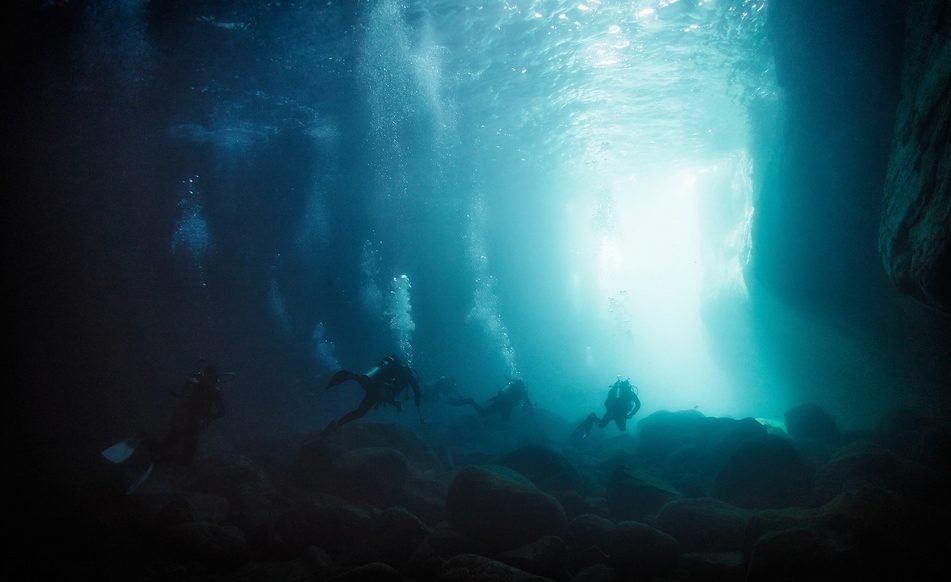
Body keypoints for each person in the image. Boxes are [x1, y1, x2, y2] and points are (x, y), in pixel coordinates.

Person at [146, 364, 227, 465]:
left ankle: (156, 457)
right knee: (170, 450)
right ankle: (149, 448)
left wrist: (208, 417)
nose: (212, 380)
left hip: (188, 423)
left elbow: (221, 412)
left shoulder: (207, 388)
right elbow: (220, 412)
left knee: (178, 454)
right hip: (187, 423)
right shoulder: (202, 387)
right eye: (212, 377)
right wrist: (208, 416)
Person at [320, 355, 422, 434]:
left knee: (360, 410)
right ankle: (337, 425)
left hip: (375, 388)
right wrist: (417, 401)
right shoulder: (409, 378)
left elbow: (386, 395)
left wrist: (395, 402)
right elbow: (416, 390)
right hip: (377, 393)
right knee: (359, 413)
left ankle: (354, 376)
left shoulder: (397, 372)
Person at [573, 378, 641, 438]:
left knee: (601, 426)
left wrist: (610, 409)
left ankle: (593, 417)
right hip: (621, 414)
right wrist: (631, 414)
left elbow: (606, 403)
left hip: (611, 412)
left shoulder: (613, 391)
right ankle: (593, 417)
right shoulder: (631, 393)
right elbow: (638, 404)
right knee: (622, 429)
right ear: (629, 386)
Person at [449, 378, 535, 421]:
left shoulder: (520, 391)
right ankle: (471, 401)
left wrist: (530, 409)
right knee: (483, 413)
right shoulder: (521, 391)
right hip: (501, 403)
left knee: (505, 420)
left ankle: (472, 403)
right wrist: (530, 409)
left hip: (505, 405)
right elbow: (503, 392)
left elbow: (528, 402)